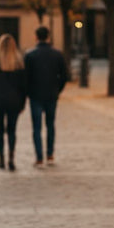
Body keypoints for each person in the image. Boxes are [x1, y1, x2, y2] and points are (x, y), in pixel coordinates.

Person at [24, 25, 69, 167]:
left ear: (36, 37)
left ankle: (39, 158)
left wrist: (28, 92)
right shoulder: (57, 54)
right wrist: (57, 89)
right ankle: (50, 155)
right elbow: (64, 76)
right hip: (51, 95)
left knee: (36, 127)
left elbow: (25, 77)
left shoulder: (30, 55)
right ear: (48, 37)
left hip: (35, 96)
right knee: (50, 125)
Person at [0, 34, 27, 171]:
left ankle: (1, 159)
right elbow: (23, 87)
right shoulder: (19, 63)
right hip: (14, 102)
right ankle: (11, 159)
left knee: (0, 130)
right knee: (12, 130)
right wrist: (22, 104)